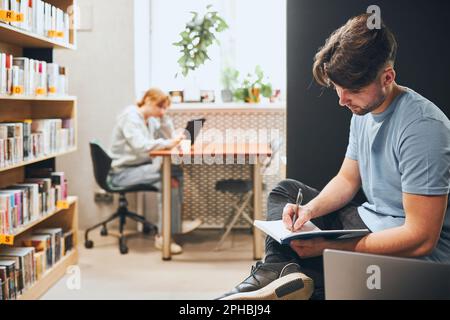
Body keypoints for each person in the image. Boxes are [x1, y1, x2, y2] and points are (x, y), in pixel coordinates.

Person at [219, 13, 450, 300]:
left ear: (387, 77)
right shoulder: (363, 110)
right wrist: (309, 211)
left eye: (352, 90)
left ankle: (289, 279)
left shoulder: (423, 128)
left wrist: (329, 248)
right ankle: (281, 273)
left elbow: (421, 239)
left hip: (410, 248)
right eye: (338, 88)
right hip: (369, 221)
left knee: (317, 262)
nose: (342, 100)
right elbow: (346, 179)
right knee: (286, 191)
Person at [109, 88, 202, 255]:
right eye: (160, 107)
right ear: (149, 101)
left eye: (165, 108)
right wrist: (170, 142)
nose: (162, 111)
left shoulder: (150, 120)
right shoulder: (130, 117)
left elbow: (168, 136)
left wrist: (165, 118)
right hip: (121, 173)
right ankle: (168, 231)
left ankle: (168, 231)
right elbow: (142, 146)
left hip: (138, 168)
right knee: (170, 175)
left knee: (172, 180)